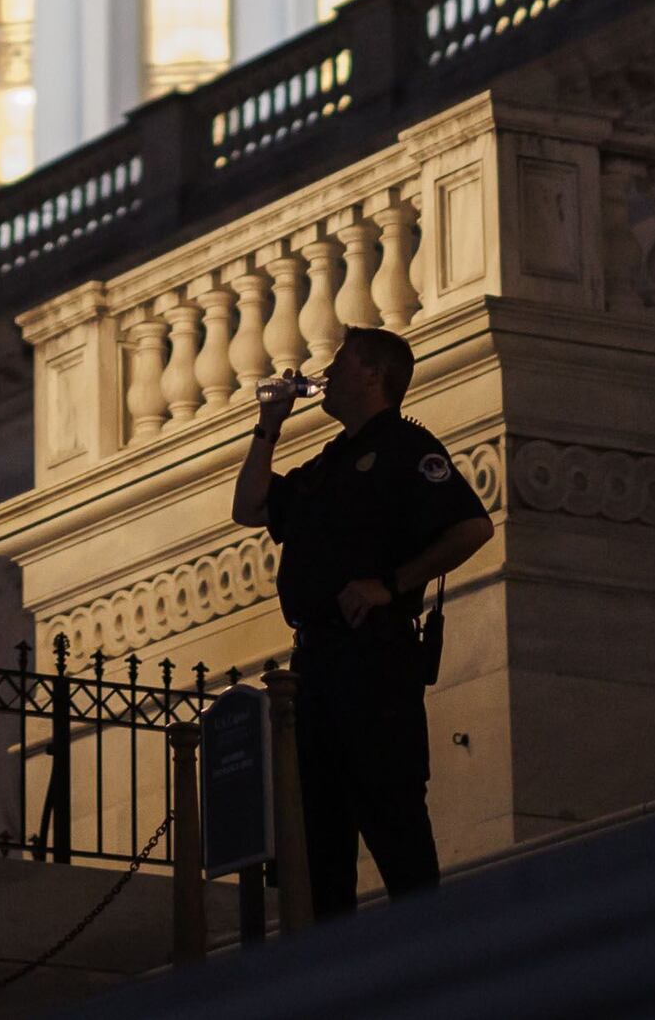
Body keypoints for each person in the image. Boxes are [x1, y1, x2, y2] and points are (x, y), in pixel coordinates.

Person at [234, 323, 487, 917]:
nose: (328, 369)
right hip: (316, 668)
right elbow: (248, 507)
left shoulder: (404, 449)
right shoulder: (327, 465)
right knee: (320, 839)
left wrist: (390, 586)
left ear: (373, 375)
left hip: (374, 664)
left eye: (342, 361)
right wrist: (268, 425)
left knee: (392, 816)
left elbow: (472, 527)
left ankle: (427, 958)